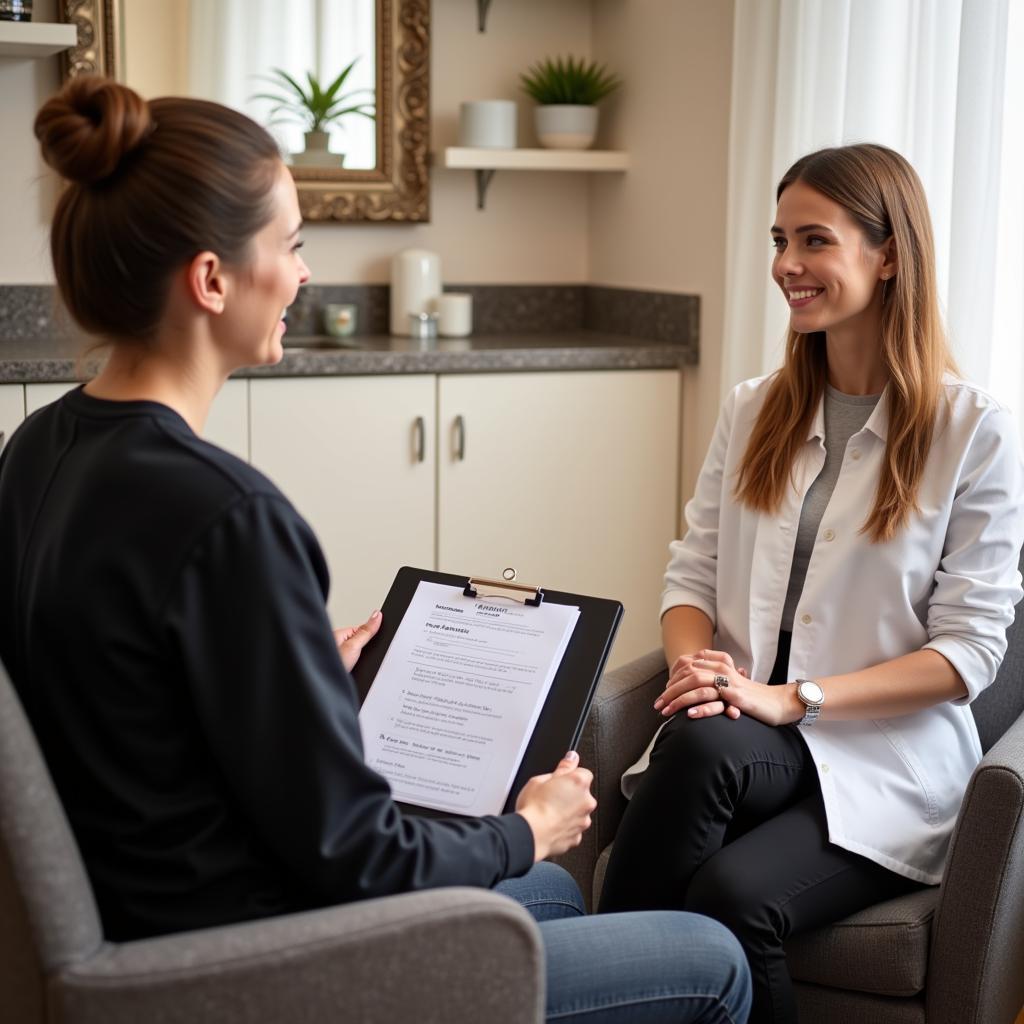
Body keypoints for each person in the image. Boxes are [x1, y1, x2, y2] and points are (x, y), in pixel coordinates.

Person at [0, 76, 752, 1024]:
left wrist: (298, 675)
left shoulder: (37, 450)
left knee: (558, 899)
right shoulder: (229, 515)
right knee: (712, 958)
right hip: (251, 959)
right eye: (293, 246)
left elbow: (124, 699)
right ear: (211, 279)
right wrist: (523, 829)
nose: (306, 274)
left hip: (145, 906)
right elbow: (357, 855)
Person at [598, 143, 1024, 1023]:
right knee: (705, 738)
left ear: (889, 253)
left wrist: (794, 698)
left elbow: (971, 654)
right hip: (746, 734)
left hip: (884, 753)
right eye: (779, 239)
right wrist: (698, 673)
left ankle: (586, 982)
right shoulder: (755, 407)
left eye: (815, 241)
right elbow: (693, 573)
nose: (787, 266)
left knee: (733, 893)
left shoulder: (972, 432)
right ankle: (598, 986)